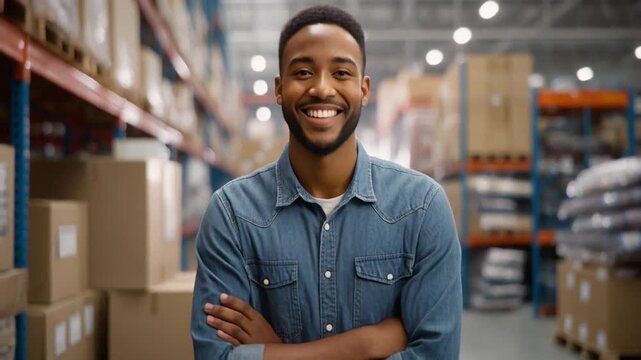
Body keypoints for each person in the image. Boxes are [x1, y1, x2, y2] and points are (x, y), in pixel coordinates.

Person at [191, 5, 462, 359]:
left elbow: (436, 355)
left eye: (341, 73)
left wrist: (275, 352)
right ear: (279, 88)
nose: (322, 88)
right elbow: (215, 357)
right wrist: (366, 344)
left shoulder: (422, 209)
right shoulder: (232, 214)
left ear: (364, 90)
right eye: (303, 72)